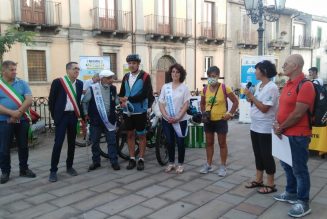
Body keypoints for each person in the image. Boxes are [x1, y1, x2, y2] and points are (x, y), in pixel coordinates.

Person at [273, 54, 315, 218]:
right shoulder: (288, 84)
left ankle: (303, 201)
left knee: (299, 169)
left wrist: (281, 127)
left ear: (296, 65)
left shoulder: (306, 86)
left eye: (286, 63)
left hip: (298, 134)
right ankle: (291, 193)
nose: (283, 66)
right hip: (284, 133)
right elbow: (283, 108)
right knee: (287, 166)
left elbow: (298, 114)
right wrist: (277, 124)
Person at [243, 60, 279, 194]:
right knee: (258, 154)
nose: (255, 72)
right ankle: (259, 179)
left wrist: (252, 96)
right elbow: (257, 103)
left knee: (266, 155)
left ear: (263, 71)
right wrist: (250, 98)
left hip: (265, 127)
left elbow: (264, 108)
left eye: (256, 69)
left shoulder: (272, 87)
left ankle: (271, 183)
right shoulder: (259, 85)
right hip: (255, 126)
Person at [0, 61, 36, 184]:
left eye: (15, 69)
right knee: (4, 148)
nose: (15, 72)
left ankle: (24, 169)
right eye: (12, 70)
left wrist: (18, 113)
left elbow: (29, 99)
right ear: (3, 71)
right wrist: (11, 113)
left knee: (23, 146)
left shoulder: (22, 83)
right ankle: (5, 172)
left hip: (22, 119)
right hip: (4, 121)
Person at [199, 66, 239, 176]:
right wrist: (203, 113)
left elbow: (235, 102)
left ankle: (223, 166)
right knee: (209, 143)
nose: (211, 78)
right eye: (209, 76)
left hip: (221, 120)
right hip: (209, 121)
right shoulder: (205, 89)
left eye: (214, 76)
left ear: (218, 76)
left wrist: (230, 114)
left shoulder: (225, 88)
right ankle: (208, 164)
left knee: (222, 143)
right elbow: (202, 103)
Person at [48, 62, 84, 182]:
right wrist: (55, 116)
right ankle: (53, 171)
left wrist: (81, 116)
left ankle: (69, 166)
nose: (77, 71)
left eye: (78, 69)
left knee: (72, 143)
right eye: (75, 69)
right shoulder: (58, 82)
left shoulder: (80, 84)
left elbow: (78, 101)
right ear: (68, 70)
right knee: (58, 143)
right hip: (62, 117)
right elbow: (51, 101)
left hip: (73, 116)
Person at [119, 54, 153, 171]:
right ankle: (132, 158)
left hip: (140, 111)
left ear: (138, 64)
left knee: (141, 135)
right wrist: (121, 99)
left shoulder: (145, 76)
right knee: (129, 134)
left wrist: (128, 99)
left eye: (134, 63)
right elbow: (122, 92)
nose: (131, 65)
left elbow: (144, 94)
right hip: (127, 111)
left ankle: (141, 159)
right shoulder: (126, 76)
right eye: (130, 63)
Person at [82, 69, 120, 171]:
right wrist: (85, 114)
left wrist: (121, 100)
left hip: (110, 120)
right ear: (102, 79)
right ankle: (96, 162)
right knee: (95, 142)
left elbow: (116, 101)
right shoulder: (93, 88)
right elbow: (84, 102)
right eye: (109, 78)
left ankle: (114, 161)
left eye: (111, 78)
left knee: (112, 141)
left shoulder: (113, 88)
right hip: (96, 121)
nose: (111, 80)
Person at [158, 63, 191, 174]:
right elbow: (161, 103)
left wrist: (178, 117)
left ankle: (180, 164)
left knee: (180, 142)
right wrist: (166, 116)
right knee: (169, 141)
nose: (175, 74)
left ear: (181, 74)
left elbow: (186, 104)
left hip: (181, 120)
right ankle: (171, 162)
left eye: (177, 72)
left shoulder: (184, 88)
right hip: (167, 120)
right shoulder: (165, 87)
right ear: (170, 73)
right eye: (173, 71)